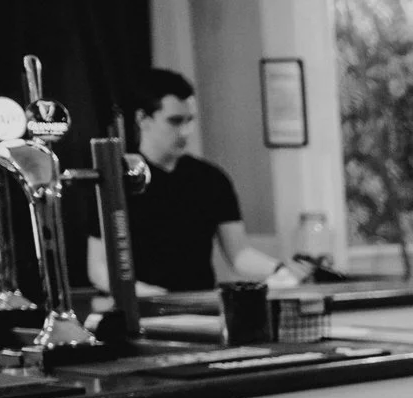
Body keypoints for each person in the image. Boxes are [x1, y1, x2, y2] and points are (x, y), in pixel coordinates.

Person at [87, 69, 302, 295]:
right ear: (143, 119)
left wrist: (279, 268)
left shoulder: (210, 178)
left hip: (201, 307)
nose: (185, 131)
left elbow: (239, 254)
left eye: (190, 120)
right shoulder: (116, 179)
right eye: (175, 121)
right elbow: (98, 267)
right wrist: (145, 294)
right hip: (142, 309)